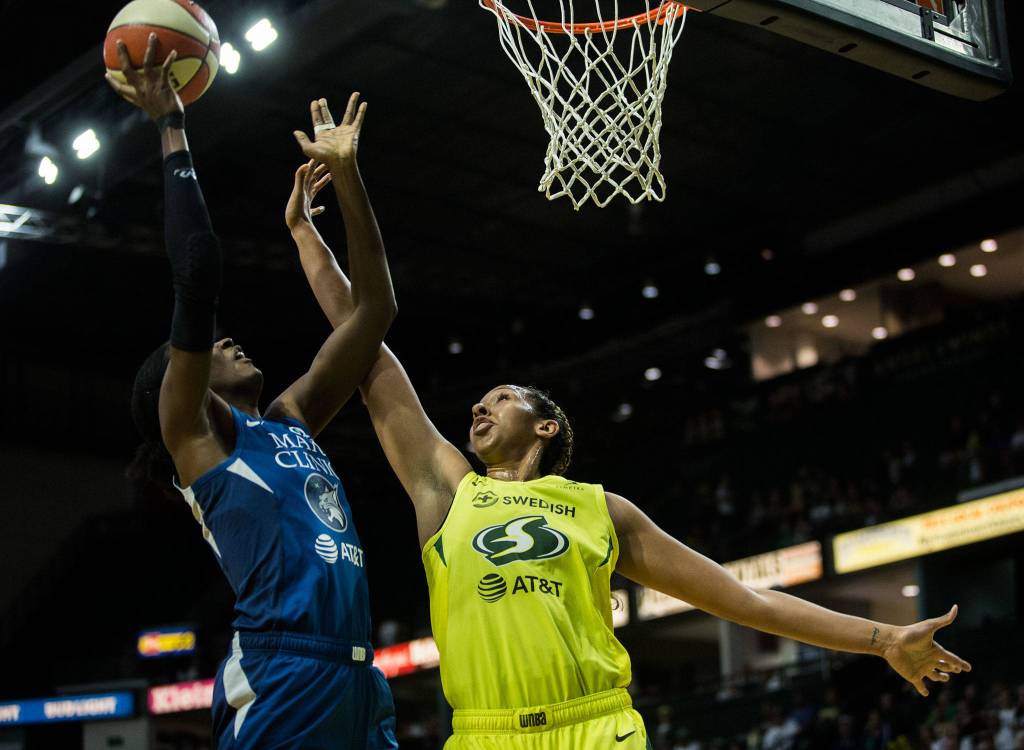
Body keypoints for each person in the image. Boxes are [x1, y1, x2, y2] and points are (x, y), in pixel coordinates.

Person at [290, 108, 971, 750]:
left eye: (502, 398)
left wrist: (881, 639)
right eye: (478, 403)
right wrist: (312, 226)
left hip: (596, 728)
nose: (479, 408)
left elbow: (739, 597)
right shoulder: (447, 489)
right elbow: (366, 350)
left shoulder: (601, 509)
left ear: (547, 426)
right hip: (483, 732)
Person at [108, 34, 398, 750]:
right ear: (182, 383)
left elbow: (376, 312)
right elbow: (198, 271)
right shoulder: (197, 436)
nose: (227, 341)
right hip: (283, 675)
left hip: (362, 679)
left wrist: (346, 182)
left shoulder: (290, 419)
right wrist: (171, 123)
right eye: (210, 347)